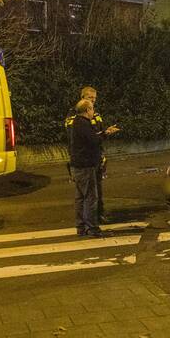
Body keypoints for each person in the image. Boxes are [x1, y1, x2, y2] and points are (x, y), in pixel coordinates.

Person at [65, 86, 118, 223]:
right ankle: (89, 222)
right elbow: (80, 137)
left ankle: (98, 215)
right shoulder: (74, 115)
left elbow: (97, 134)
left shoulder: (96, 114)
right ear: (82, 98)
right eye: (90, 98)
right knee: (86, 194)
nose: (93, 102)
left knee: (96, 190)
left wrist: (104, 134)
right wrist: (102, 134)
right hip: (83, 159)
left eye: (94, 99)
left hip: (95, 156)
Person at [69, 98, 104, 237]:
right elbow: (93, 141)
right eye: (92, 109)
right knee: (90, 197)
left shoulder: (75, 122)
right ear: (87, 110)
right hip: (85, 165)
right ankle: (92, 228)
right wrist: (105, 134)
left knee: (80, 198)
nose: (93, 111)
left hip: (77, 165)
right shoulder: (83, 124)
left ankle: (81, 227)